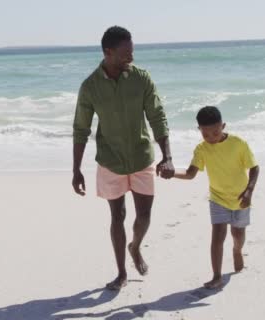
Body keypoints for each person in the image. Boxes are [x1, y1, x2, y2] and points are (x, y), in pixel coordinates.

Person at [72, 26, 174, 290]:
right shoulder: (90, 86)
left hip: (141, 158)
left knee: (144, 215)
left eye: (132, 50)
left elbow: (157, 116)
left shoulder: (141, 79)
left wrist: (167, 156)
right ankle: (121, 273)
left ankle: (135, 246)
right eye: (126, 52)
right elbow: (81, 129)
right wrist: (76, 169)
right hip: (110, 161)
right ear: (108, 52)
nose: (132, 55)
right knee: (117, 216)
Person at [173, 106, 259, 289]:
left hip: (241, 198)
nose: (211, 138)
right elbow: (190, 174)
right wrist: (171, 173)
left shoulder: (238, 144)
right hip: (217, 198)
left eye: (215, 132)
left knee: (238, 234)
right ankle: (217, 276)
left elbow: (254, 167)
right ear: (199, 131)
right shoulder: (201, 149)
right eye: (205, 134)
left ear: (223, 126)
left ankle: (237, 251)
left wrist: (249, 190)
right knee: (217, 236)